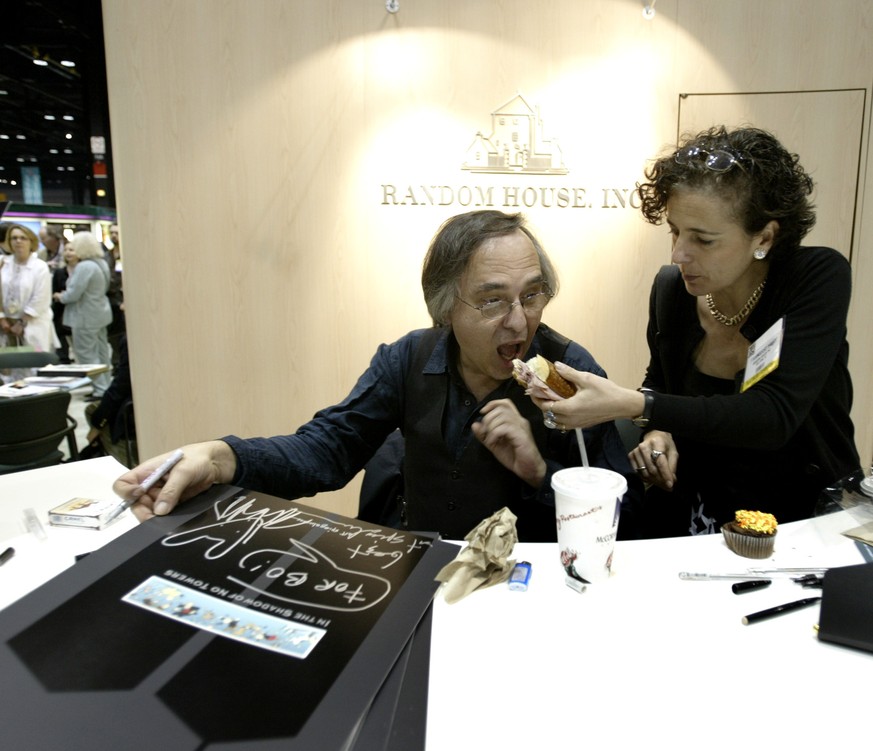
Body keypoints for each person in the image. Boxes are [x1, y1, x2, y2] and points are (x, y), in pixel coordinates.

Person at [113, 210, 642, 541]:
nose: (520, 320)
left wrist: (535, 477)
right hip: (425, 576)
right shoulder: (407, 359)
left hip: (527, 588)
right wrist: (222, 457)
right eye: (492, 301)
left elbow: (621, 514)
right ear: (446, 309)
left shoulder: (574, 374)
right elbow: (327, 450)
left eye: (531, 295)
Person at [535, 126, 860, 537]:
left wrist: (638, 407)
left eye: (703, 240)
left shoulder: (815, 277)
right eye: (675, 231)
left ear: (764, 236)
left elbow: (773, 415)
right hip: (702, 511)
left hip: (803, 518)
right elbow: (662, 381)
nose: (678, 254)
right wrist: (658, 428)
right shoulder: (672, 290)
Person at [54, 231, 113, 399]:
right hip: (100, 312)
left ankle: (100, 389)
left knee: (86, 354)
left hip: (85, 315)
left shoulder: (84, 266)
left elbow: (73, 294)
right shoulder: (101, 263)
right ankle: (105, 385)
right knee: (102, 352)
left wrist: (61, 296)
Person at [0, 223, 58, 355]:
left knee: (34, 365)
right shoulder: (3, 263)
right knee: (10, 368)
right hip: (6, 326)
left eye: (23, 238)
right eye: (14, 238)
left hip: (33, 324)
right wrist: (2, 319)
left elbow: (40, 299)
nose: (18, 241)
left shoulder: (40, 267)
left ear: (31, 241)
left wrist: (21, 323)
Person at [84, 334, 136, 467]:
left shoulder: (135, 337)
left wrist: (98, 423)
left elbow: (121, 385)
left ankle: (123, 465)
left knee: (95, 412)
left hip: (136, 406)